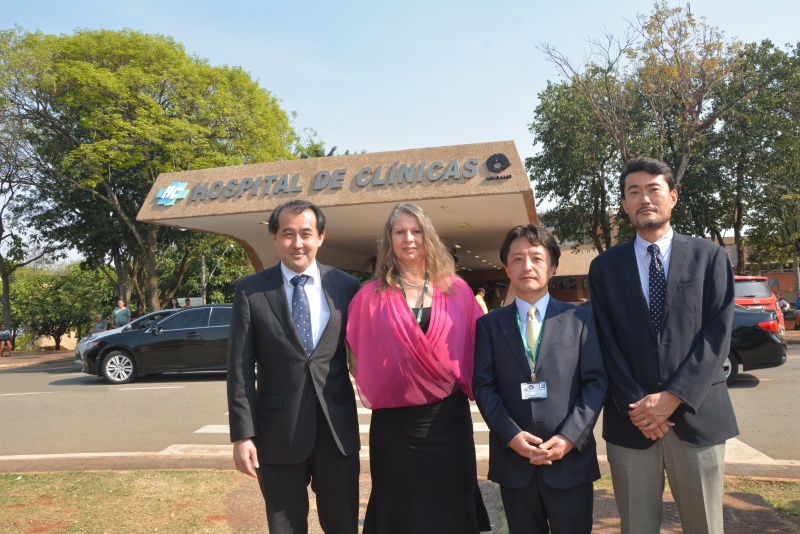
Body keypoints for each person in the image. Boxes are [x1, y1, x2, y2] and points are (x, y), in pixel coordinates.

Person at [588, 157, 738, 533]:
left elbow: (717, 333)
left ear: (672, 197)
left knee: (705, 525)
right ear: (624, 205)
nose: (645, 199)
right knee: (636, 527)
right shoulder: (605, 267)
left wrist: (674, 396)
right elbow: (605, 340)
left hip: (696, 417)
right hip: (632, 422)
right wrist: (638, 406)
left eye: (654, 189)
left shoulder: (710, 256)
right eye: (633, 192)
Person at [347, 203, 491, 534]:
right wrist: (394, 380)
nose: (409, 239)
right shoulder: (369, 296)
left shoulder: (457, 290)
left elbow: (476, 347)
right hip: (394, 429)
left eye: (416, 231)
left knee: (450, 507)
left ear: (428, 237)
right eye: (400, 232)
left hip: (448, 422)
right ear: (388, 240)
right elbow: (355, 354)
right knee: (400, 510)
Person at [227, 199, 361, 533]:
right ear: (274, 237)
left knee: (343, 524)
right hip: (277, 436)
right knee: (285, 527)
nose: (297, 243)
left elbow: (363, 352)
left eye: (306, 233)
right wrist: (243, 436)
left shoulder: (346, 286)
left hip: (337, 432)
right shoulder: (251, 291)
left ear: (321, 237)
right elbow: (240, 369)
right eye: (288, 234)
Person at [472, 224, 607, 533]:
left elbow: (595, 382)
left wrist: (569, 438)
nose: (527, 266)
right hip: (515, 464)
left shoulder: (580, 319)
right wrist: (511, 436)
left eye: (536, 257)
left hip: (569, 462)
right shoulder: (489, 326)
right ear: (507, 268)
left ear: (553, 266)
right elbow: (483, 386)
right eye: (517, 259)